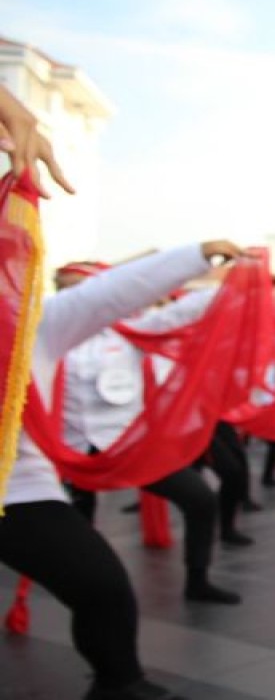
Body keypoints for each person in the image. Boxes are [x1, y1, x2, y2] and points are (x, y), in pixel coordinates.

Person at [3, 236, 239, 700]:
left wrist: (203, 258)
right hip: (66, 454)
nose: (67, 291)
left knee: (104, 581)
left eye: (75, 286)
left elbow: (131, 295)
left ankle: (122, 677)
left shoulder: (53, 327)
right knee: (82, 548)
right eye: (62, 284)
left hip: (57, 471)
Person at [53, 265, 243, 604]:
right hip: (69, 450)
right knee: (77, 525)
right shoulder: (45, 337)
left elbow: (183, 310)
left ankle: (197, 580)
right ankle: (81, 585)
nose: (74, 298)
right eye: (65, 289)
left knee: (200, 499)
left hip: (127, 446)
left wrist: (240, 278)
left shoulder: (129, 331)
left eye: (82, 289)